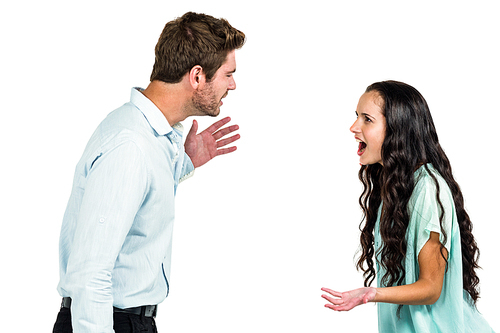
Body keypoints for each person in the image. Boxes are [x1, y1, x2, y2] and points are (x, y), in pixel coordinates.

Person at [53, 12, 245, 333]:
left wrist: (185, 161)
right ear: (197, 76)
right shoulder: (131, 146)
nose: (233, 84)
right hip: (107, 321)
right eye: (228, 73)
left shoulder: (151, 136)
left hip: (127, 320)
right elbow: (91, 273)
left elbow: (139, 204)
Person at [321, 81, 494, 332]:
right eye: (356, 116)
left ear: (397, 130)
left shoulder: (427, 190)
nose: (353, 127)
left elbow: (431, 288)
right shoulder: (395, 186)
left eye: (367, 119)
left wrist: (371, 293)